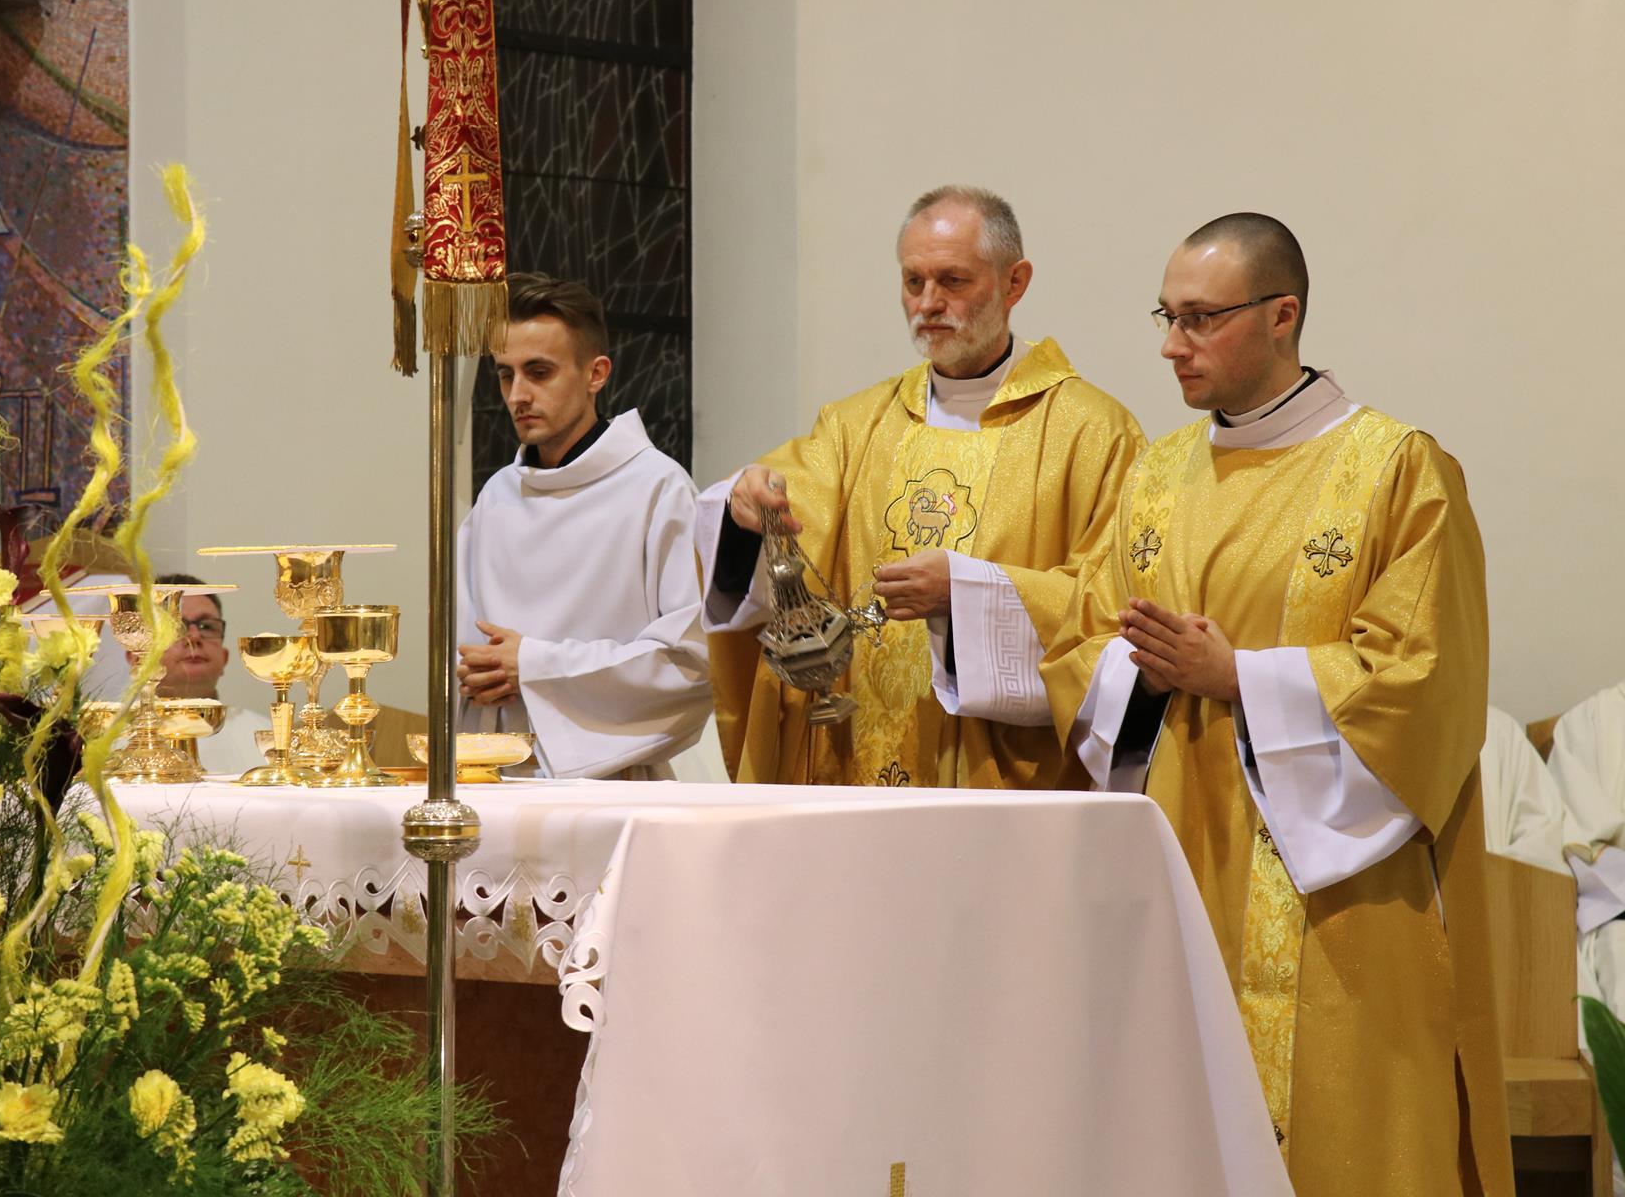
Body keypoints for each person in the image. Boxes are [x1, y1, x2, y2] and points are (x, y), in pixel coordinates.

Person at [1040, 214, 1511, 1195]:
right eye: (1167, 316)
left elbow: (1426, 680)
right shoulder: (1155, 475)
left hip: (1341, 898)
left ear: (1282, 315)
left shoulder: (1396, 469)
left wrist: (1240, 678)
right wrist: (1143, 671)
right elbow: (1087, 639)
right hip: (1181, 864)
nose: (1172, 344)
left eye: (1201, 318)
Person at [699, 185, 1142, 789]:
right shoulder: (854, 426)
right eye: (914, 282)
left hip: (997, 780)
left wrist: (967, 595)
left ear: (1014, 283)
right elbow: (772, 530)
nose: (929, 303)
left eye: (953, 281)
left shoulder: (1092, 432)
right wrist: (744, 506)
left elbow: (1109, 607)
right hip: (848, 767)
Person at [454, 273, 710, 779]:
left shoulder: (659, 489)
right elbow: (461, 647)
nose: (517, 395)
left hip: (610, 782)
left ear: (596, 374)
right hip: (492, 778)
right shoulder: (496, 498)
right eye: (506, 375)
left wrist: (535, 666)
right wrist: (469, 674)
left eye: (539, 372)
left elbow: (690, 664)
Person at [151, 573, 271, 777]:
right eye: (174, 626)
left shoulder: (268, 737)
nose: (194, 636)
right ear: (135, 657)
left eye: (206, 626)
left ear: (224, 658)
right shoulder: (109, 738)